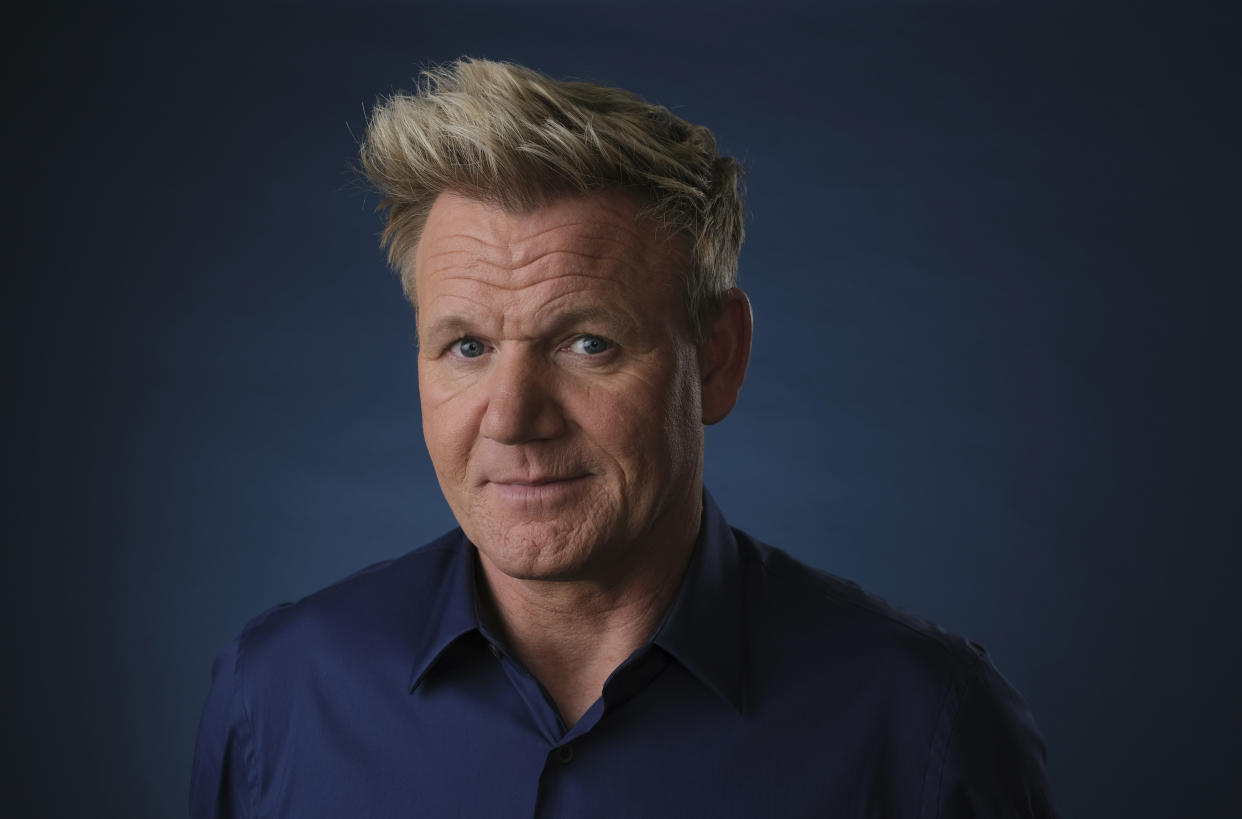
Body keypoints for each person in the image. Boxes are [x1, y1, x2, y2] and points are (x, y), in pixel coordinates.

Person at [190, 58, 1056, 818]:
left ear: (716, 358)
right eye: (468, 347)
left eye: (586, 343)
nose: (513, 417)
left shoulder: (924, 724)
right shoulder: (276, 696)